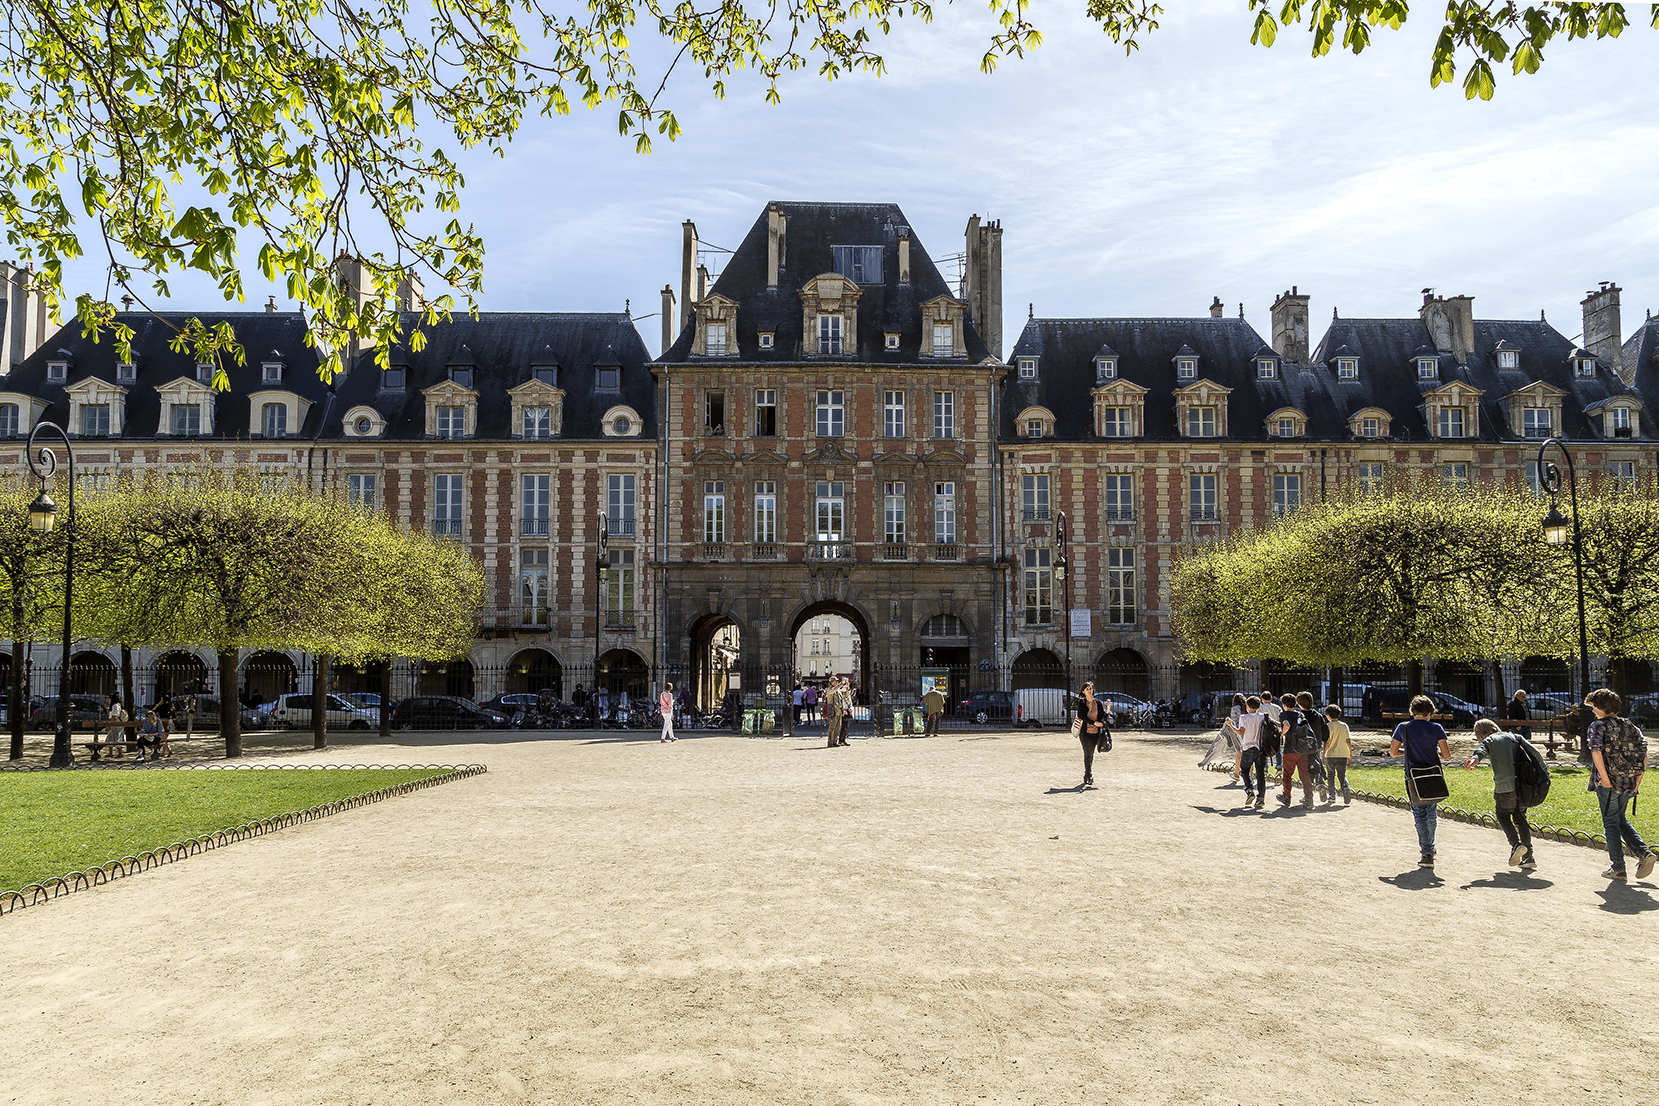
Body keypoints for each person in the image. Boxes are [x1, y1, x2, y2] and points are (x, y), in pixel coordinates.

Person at [1582, 688, 1655, 882]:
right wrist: (1638, 782)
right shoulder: (1630, 725)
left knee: (1611, 823)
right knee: (1619, 819)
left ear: (1600, 707)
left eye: (1593, 707)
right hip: (1630, 780)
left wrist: (1605, 779)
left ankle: (1618, 867)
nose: (1592, 711)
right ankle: (1644, 853)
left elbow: (1596, 752)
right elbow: (1644, 754)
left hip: (1609, 782)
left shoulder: (1597, 726)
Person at [1464, 719, 1536, 870]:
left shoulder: (1488, 740)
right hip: (1523, 786)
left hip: (1504, 787)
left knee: (1503, 814)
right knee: (1520, 817)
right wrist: (1543, 776)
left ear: (1480, 734)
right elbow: (1536, 754)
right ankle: (1529, 856)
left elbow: (1479, 753)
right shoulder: (1516, 737)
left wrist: (1472, 762)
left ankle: (1515, 844)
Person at [1390, 694, 1451, 868]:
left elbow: (1393, 752)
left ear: (1412, 711)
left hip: (1412, 775)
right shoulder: (1436, 727)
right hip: (1432, 774)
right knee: (1431, 813)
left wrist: (1407, 752)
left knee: (1419, 813)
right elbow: (1446, 755)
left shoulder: (1404, 727)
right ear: (1430, 712)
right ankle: (1430, 847)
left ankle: (1427, 852)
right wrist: (1437, 750)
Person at [1277, 693, 1317, 809]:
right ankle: (1309, 798)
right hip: (1302, 748)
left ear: (1283, 705)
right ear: (1295, 703)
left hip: (1290, 749)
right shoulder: (1300, 714)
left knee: (1287, 774)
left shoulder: (1283, 714)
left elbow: (1287, 725)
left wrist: (1281, 734)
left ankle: (1286, 796)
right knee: (1304, 774)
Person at [1232, 696, 1270, 809]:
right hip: (1260, 748)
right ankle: (1261, 798)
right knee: (1260, 773)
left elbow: (1240, 733)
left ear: (1247, 706)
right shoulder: (1263, 716)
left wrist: (1230, 726)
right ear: (1259, 707)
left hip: (1248, 747)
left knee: (1244, 770)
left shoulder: (1244, 717)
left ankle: (1249, 790)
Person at [1074, 681, 1110, 788]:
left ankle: (1087, 774)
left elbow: (1103, 718)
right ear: (1083, 691)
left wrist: (1108, 709)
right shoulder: (1082, 703)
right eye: (1087, 689)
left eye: (1091, 689)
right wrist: (1094, 723)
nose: (1090, 691)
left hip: (1096, 733)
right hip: (1085, 732)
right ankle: (1089, 776)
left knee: (1091, 754)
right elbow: (1081, 716)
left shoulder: (1098, 703)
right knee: (1087, 752)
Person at [1297, 691, 1331, 803]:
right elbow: (1326, 732)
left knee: (1305, 771)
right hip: (1316, 745)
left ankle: (1308, 794)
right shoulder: (1318, 715)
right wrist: (1323, 739)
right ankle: (1320, 782)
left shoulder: (1299, 716)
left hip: (1302, 747)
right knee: (1316, 765)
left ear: (1298, 703)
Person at [1323, 704, 1353, 805]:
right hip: (1343, 754)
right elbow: (1348, 741)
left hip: (1330, 754)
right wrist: (1350, 754)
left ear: (1328, 715)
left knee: (1331, 775)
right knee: (1342, 774)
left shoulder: (1327, 726)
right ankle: (1345, 788)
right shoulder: (1344, 726)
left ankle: (1332, 796)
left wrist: (1323, 755)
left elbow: (1327, 742)